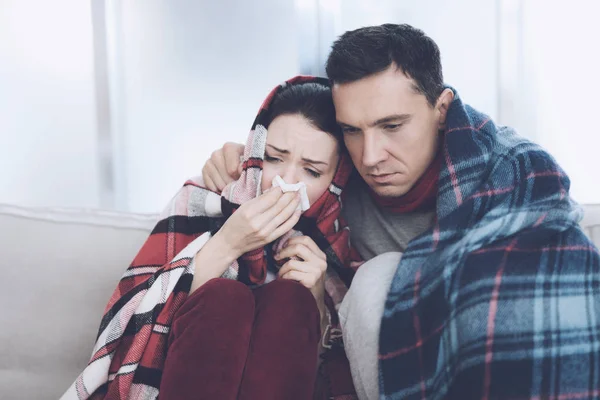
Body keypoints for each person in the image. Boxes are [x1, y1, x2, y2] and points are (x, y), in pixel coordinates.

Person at [203, 24, 600, 400]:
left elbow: (550, 277)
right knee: (377, 279)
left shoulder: (508, 167)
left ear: (442, 109)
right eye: (352, 131)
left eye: (392, 126)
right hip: (396, 357)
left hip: (493, 360)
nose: (371, 157)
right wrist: (244, 164)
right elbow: (292, 154)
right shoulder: (334, 182)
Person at [61, 77, 359, 400]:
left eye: (312, 171)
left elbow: (325, 376)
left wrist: (314, 298)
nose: (284, 182)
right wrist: (230, 241)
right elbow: (137, 323)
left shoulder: (332, 242)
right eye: (273, 157)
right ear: (255, 150)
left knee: (291, 301)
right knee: (224, 298)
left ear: (334, 182)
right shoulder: (206, 197)